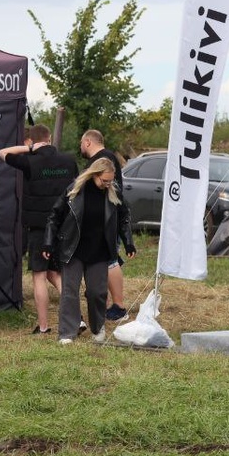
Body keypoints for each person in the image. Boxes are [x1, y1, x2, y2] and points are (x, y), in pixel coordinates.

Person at [42, 157, 136, 345]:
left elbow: (124, 218)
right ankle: (67, 333)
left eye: (110, 180)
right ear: (94, 174)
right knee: (70, 292)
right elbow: (54, 216)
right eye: (104, 180)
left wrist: (128, 242)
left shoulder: (114, 192)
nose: (107, 184)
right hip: (73, 250)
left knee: (97, 293)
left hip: (99, 252)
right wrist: (48, 243)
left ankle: (97, 327)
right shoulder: (75, 189)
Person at [0, 125, 79, 334]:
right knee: (56, 273)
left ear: (33, 141)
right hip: (64, 225)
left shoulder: (29, 161)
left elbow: (3, 153)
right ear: (49, 138)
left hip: (39, 228)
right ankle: (77, 319)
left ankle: (43, 326)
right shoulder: (69, 161)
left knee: (39, 275)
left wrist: (29, 149)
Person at [79, 130, 128, 321]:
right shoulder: (105, 157)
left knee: (110, 261)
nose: (80, 147)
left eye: (81, 143)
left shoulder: (104, 158)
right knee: (106, 261)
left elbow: (115, 193)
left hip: (107, 220)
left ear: (88, 142)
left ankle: (119, 306)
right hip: (101, 220)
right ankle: (106, 303)